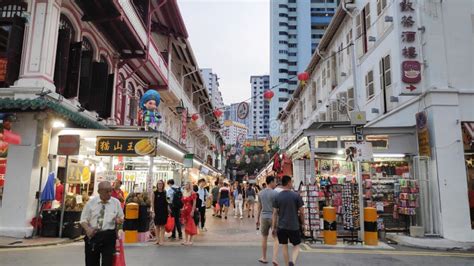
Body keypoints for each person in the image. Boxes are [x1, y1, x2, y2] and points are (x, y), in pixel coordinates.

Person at [80, 181, 124, 266]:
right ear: (99, 191)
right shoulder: (91, 203)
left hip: (109, 236)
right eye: (107, 191)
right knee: (91, 262)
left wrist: (119, 220)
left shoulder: (116, 203)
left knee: (107, 263)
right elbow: (83, 219)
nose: (110, 193)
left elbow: (121, 217)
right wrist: (88, 229)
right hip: (93, 235)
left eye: (110, 191)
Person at [272, 176, 304, 266]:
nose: (292, 183)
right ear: (289, 182)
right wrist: (303, 223)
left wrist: (274, 227)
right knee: (296, 245)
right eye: (292, 182)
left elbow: (274, 213)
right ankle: (292, 261)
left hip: (281, 226)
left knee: (284, 246)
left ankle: (287, 264)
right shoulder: (296, 196)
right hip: (294, 226)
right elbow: (302, 212)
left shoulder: (277, 196)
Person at [257, 176, 279, 265]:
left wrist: (257, 219)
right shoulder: (275, 194)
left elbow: (259, 207)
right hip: (273, 217)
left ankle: (264, 257)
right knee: (276, 238)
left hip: (264, 217)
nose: (275, 183)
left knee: (264, 237)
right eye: (275, 181)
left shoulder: (260, 193)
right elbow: (277, 209)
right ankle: (274, 259)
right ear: (271, 182)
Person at [151, 180, 168, 245]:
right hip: (157, 210)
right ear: (157, 185)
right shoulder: (154, 193)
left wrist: (168, 209)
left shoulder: (165, 192)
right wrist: (153, 211)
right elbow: (152, 202)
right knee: (157, 226)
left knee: (163, 226)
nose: (160, 185)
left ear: (163, 185)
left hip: (164, 211)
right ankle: (157, 240)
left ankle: (162, 240)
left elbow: (167, 201)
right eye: (158, 184)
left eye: (161, 184)